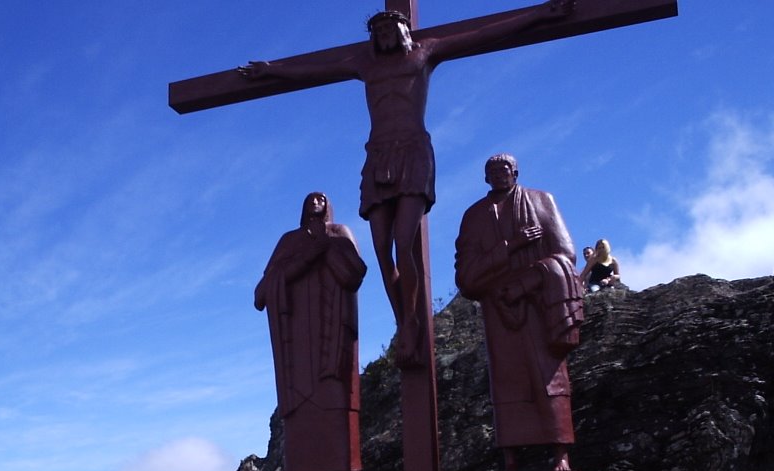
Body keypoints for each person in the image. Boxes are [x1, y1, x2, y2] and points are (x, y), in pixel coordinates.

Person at [240, 0, 574, 367]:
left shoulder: (425, 52)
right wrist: (272, 70)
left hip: (413, 153)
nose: (383, 35)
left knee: (404, 241)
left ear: (404, 31)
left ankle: (413, 319)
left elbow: (483, 33)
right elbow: (313, 68)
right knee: (381, 247)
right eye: (377, 32)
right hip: (378, 156)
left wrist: (538, 15)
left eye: (389, 29)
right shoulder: (363, 64)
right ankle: (405, 319)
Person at [454, 154, 584, 471]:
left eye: (505, 170)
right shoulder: (473, 217)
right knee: (508, 380)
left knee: (550, 377)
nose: (499, 175)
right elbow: (467, 277)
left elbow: (565, 253)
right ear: (485, 178)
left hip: (539, 303)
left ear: (516, 172)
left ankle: (560, 455)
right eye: (492, 171)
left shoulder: (541, 201)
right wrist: (511, 246)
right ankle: (510, 458)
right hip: (499, 309)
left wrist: (526, 283)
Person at [255, 192, 367, 471]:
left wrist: (326, 249)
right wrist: (306, 258)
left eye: (322, 199)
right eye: (310, 199)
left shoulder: (340, 233)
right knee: (300, 401)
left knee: (337, 396)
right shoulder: (289, 241)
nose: (316, 202)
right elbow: (264, 290)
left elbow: (355, 271)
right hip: (298, 337)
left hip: (332, 332)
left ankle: (348, 470)